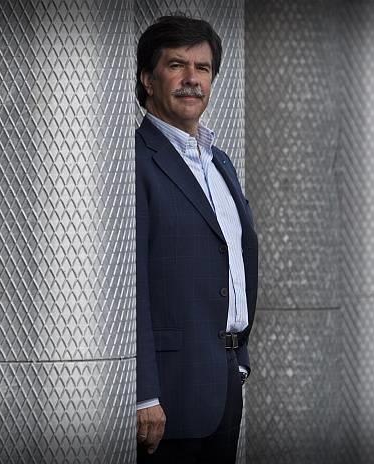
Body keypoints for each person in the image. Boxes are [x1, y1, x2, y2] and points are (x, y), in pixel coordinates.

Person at [135, 14, 258, 463]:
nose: (192, 79)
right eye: (176, 65)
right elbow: (128, 286)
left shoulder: (220, 161)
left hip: (224, 382)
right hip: (167, 396)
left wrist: (239, 360)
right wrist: (144, 392)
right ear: (148, 79)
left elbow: (234, 260)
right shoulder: (134, 161)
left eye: (202, 68)